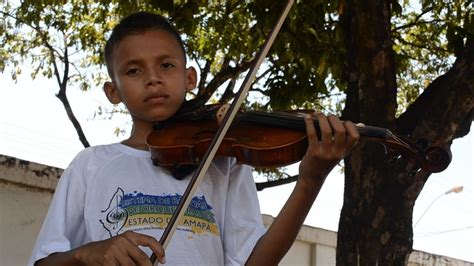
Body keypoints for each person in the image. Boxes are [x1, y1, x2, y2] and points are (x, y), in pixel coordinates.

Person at [29, 11, 359, 266]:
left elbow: (254, 261)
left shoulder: (223, 160)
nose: (153, 79)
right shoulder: (91, 164)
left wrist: (310, 180)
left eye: (166, 65)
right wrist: (88, 253)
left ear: (189, 78)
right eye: (134, 70)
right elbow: (45, 261)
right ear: (113, 91)